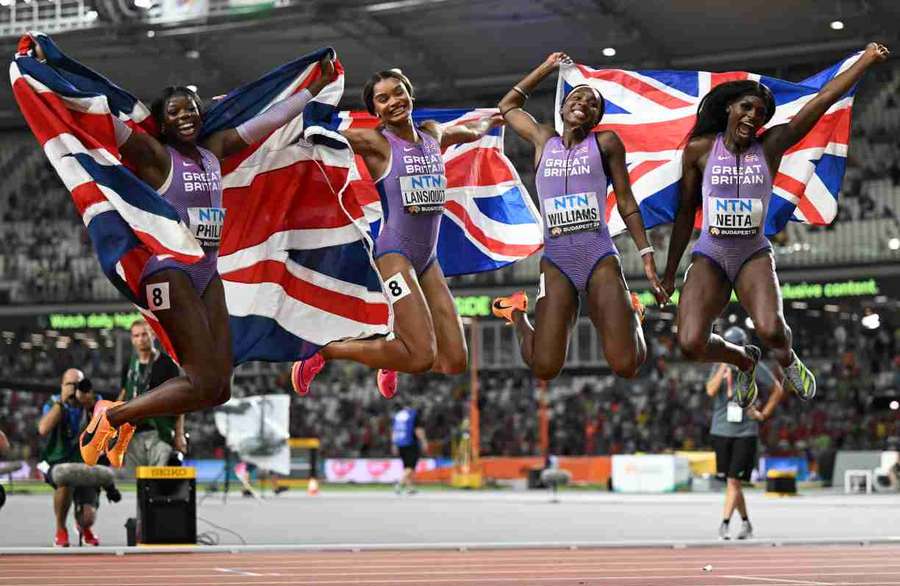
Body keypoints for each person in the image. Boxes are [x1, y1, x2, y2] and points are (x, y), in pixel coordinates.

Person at [25, 37, 339, 467]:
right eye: (174, 111)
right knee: (199, 380)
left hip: (207, 272)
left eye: (190, 107)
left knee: (218, 388)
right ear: (163, 123)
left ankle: (121, 416)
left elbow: (270, 119)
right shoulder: (154, 155)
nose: (185, 114)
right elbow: (98, 112)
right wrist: (56, 71)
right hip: (168, 270)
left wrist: (312, 89)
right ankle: (112, 416)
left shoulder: (215, 151)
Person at [662, 42, 890, 407]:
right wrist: (670, 271)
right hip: (710, 254)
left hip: (752, 252)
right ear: (728, 109)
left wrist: (865, 60)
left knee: (771, 329)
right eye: (747, 107)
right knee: (690, 343)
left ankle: (788, 360)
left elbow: (822, 100)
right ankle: (743, 360)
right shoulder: (700, 150)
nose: (755, 115)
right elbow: (686, 212)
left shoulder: (771, 145)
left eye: (762, 111)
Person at [291, 68, 502, 398]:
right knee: (420, 357)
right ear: (375, 110)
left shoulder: (433, 134)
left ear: (410, 94)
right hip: (395, 256)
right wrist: (292, 111)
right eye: (383, 98)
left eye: (398, 92)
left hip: (428, 260)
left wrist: (494, 118)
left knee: (454, 361)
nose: (394, 102)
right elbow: (319, 135)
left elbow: (472, 130)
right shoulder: (376, 143)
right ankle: (326, 351)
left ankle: (393, 354)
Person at [489, 52, 668, 380]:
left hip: (598, 256)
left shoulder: (606, 143)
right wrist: (546, 67)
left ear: (597, 116)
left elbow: (626, 201)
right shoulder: (544, 139)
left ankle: (632, 312)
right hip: (557, 261)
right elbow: (508, 107)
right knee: (544, 367)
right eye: (577, 96)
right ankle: (516, 313)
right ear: (561, 108)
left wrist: (645, 254)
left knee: (626, 365)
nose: (584, 101)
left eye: (593, 102)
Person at [706, 326, 785, 540]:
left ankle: (724, 524)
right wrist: (723, 370)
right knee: (734, 482)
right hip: (721, 429)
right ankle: (746, 523)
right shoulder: (719, 365)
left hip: (745, 431)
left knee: (733, 481)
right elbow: (710, 391)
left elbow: (778, 388)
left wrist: (762, 414)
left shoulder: (752, 365)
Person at [37, 369, 120, 547]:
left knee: (88, 517)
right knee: (64, 481)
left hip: (86, 462)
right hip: (57, 461)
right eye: (70, 385)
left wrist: (89, 407)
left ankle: (84, 526)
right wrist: (61, 402)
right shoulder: (54, 402)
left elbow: (110, 435)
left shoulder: (95, 401)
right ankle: (61, 529)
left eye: (79, 385)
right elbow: (43, 429)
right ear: (62, 386)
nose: (75, 389)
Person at [119, 319, 185, 471]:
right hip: (132, 432)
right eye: (136, 336)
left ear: (153, 335)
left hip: (160, 430)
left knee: (159, 480)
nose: (141, 339)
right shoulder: (128, 366)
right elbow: (123, 394)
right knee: (134, 481)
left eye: (144, 334)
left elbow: (180, 401)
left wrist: (179, 433)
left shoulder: (167, 364)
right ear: (132, 339)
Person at [392, 402, 427, 495]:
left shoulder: (398, 416)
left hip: (400, 443)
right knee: (411, 466)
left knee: (406, 466)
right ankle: (399, 484)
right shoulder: (413, 415)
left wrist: (394, 444)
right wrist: (424, 441)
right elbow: (418, 430)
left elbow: (394, 431)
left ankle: (410, 488)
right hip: (410, 443)